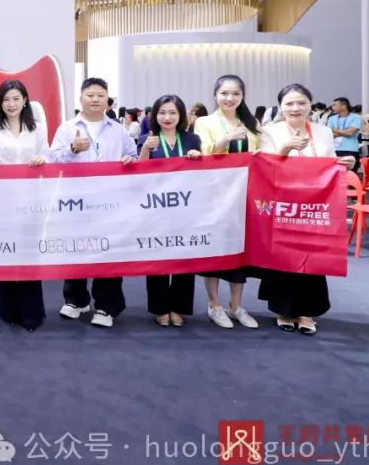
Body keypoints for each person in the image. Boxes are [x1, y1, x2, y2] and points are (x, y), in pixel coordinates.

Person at [259, 83, 355, 335]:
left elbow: (330, 164)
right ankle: (283, 310)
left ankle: (307, 312)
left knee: (314, 257)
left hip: (315, 205)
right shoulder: (269, 131)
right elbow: (265, 167)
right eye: (289, 103)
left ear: (310, 105)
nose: (296, 108)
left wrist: (346, 163)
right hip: (283, 205)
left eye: (301, 102)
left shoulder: (323, 132)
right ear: (280, 106)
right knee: (284, 257)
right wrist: (285, 148)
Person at [49, 77, 137, 328]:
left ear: (108, 100)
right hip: (76, 202)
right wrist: (73, 149)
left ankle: (107, 306)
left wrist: (129, 161)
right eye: (90, 95)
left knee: (108, 251)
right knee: (76, 248)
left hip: (110, 203)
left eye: (100, 95)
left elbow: (132, 156)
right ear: (81, 99)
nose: (95, 99)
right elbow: (53, 160)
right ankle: (76, 300)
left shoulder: (118, 130)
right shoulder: (67, 128)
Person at [190, 74, 260, 330]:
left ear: (242, 96)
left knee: (240, 250)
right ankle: (214, 305)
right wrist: (225, 140)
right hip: (215, 194)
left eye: (236, 94)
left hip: (244, 193)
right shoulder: (204, 122)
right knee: (215, 248)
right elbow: (201, 154)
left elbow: (261, 154)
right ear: (215, 95)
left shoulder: (251, 123)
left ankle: (236, 306)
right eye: (225, 93)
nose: (230, 98)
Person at [0, 80, 47, 331]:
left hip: (32, 200)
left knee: (29, 255)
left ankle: (32, 313)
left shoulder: (37, 128)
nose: (11, 104)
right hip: (3, 201)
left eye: (16, 98)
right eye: (6, 99)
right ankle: (7, 310)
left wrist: (42, 158)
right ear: (0, 103)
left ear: (25, 100)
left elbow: (48, 155)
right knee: (7, 253)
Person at [138, 95, 202, 328]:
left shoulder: (192, 139)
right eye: (162, 112)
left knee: (184, 257)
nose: (167, 117)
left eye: (172, 112)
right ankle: (160, 308)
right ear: (155, 115)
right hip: (156, 208)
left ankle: (179, 307)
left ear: (180, 115)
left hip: (185, 208)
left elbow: (201, 173)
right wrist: (146, 149)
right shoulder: (147, 138)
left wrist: (197, 157)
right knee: (158, 258)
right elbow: (138, 171)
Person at [327, 97, 363, 173]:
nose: (332, 107)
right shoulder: (331, 118)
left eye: (335, 105)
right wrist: (345, 132)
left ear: (344, 106)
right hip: (334, 150)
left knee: (351, 174)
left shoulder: (356, 117)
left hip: (350, 149)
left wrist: (335, 130)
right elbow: (329, 134)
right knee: (335, 174)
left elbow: (350, 133)